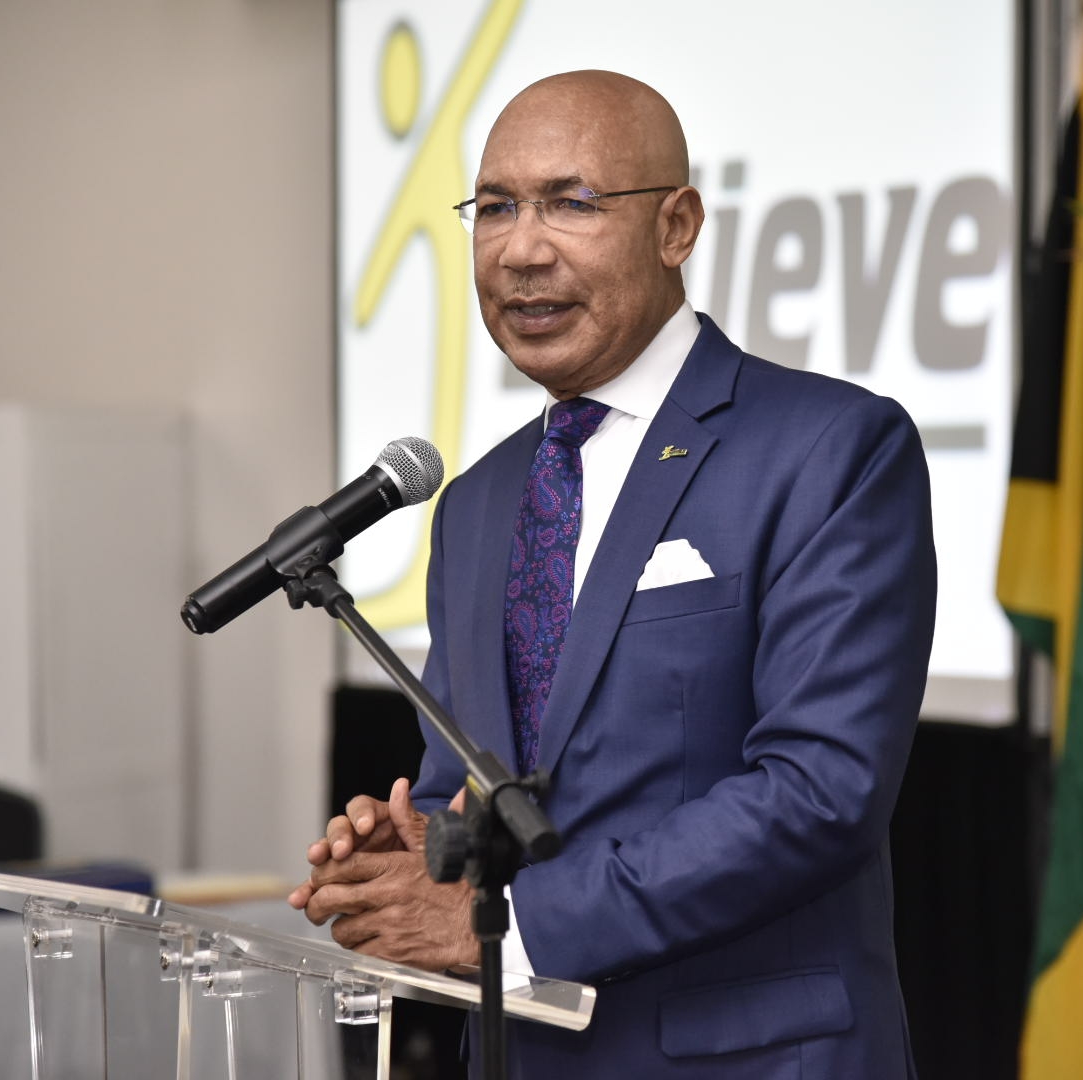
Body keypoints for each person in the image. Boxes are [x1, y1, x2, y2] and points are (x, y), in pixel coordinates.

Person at [289, 70, 936, 1078]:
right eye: (493, 207)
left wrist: (509, 924)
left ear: (677, 226)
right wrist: (417, 856)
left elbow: (821, 791)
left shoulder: (831, 449)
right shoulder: (477, 501)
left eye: (570, 202)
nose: (520, 247)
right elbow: (477, 785)